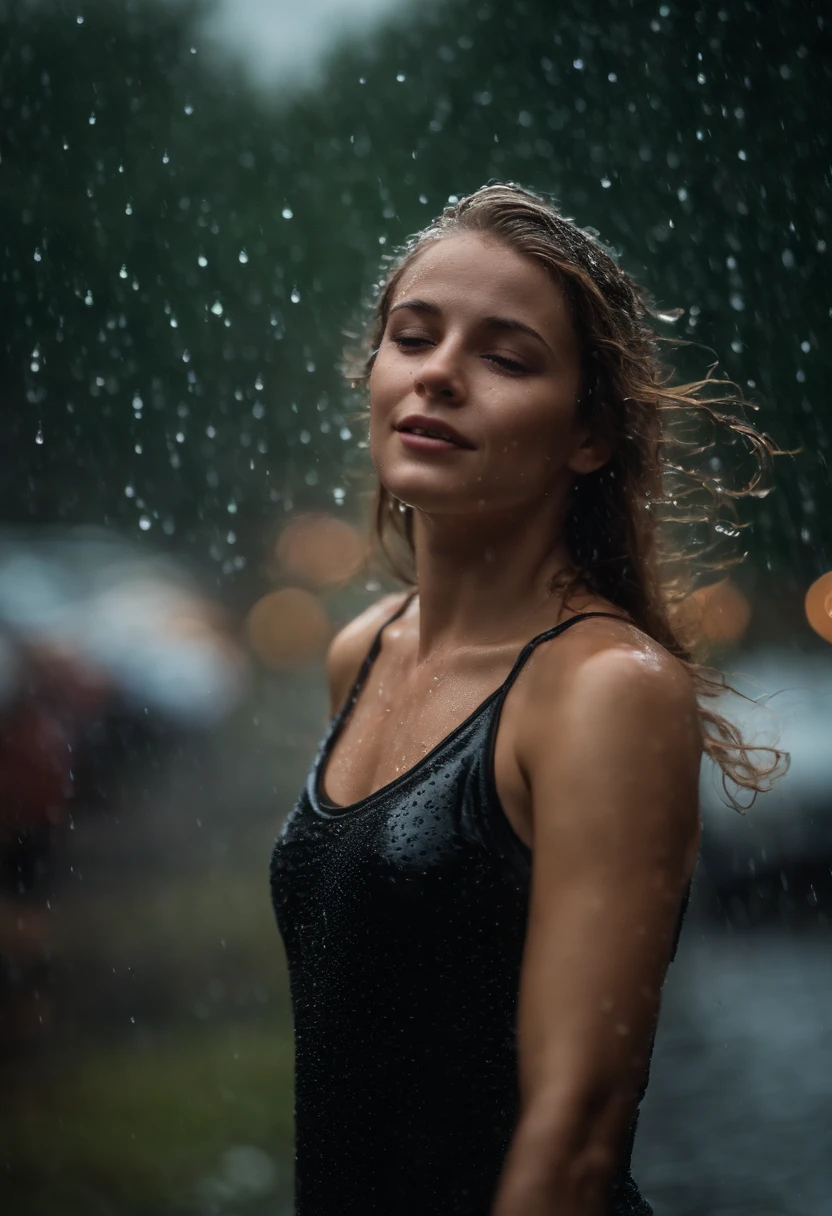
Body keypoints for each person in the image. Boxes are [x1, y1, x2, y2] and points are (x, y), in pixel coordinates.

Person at [270, 183, 782, 1215]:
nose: (440, 374)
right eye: (413, 337)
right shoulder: (359, 651)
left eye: (505, 357)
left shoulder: (605, 691)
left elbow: (578, 1130)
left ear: (589, 435)